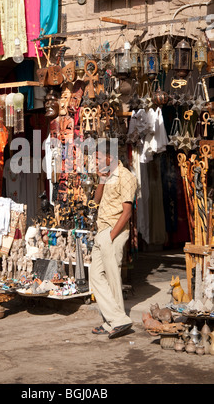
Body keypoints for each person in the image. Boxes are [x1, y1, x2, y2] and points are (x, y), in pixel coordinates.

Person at [90, 140, 137, 339]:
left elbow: (127, 213)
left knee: (112, 276)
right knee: (95, 275)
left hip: (113, 232)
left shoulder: (126, 177)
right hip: (102, 230)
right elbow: (96, 200)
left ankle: (116, 321)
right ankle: (114, 319)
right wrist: (101, 179)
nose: (95, 161)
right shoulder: (107, 176)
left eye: (99, 158)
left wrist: (110, 237)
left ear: (110, 158)